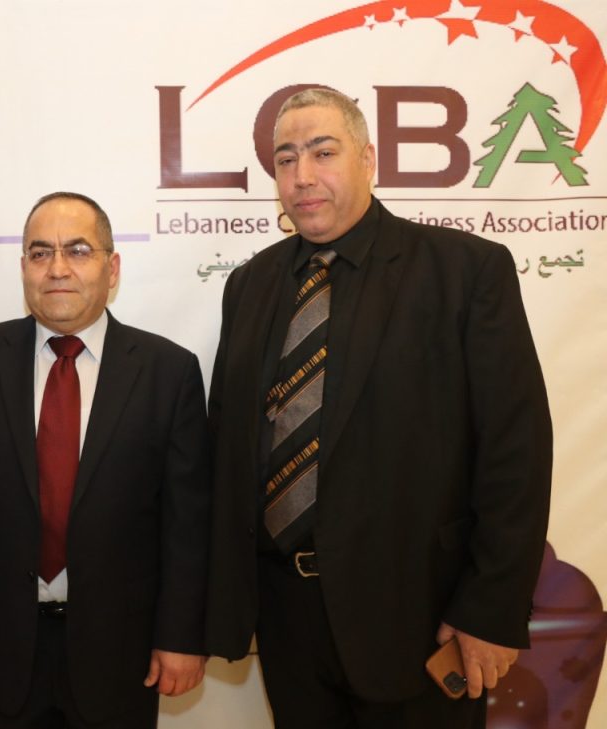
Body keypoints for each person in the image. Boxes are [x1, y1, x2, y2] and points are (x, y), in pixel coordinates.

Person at [206, 88, 552, 727]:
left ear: (368, 159)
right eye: (286, 159)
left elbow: (516, 453)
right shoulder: (249, 285)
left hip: (421, 619)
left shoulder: (465, 271)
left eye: (323, 152)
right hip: (287, 619)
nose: (302, 176)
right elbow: (229, 443)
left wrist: (491, 609)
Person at [0, 192, 211, 728]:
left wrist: (180, 635)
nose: (57, 268)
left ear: (112, 268)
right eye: (40, 253)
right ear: (24, 268)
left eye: (78, 250)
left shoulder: (169, 372)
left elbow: (187, 523)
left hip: (121, 651)